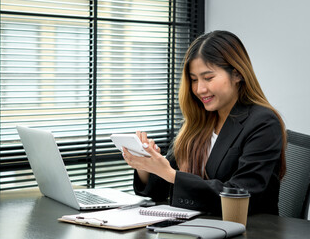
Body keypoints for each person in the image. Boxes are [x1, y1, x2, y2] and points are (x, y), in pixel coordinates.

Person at [122, 30, 287, 215]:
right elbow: (162, 192)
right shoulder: (199, 121)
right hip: (196, 225)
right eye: (194, 80)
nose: (200, 89)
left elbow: (242, 194)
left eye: (208, 78)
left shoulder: (263, 122)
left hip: (248, 229)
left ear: (237, 74)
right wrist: (146, 166)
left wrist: (171, 175)